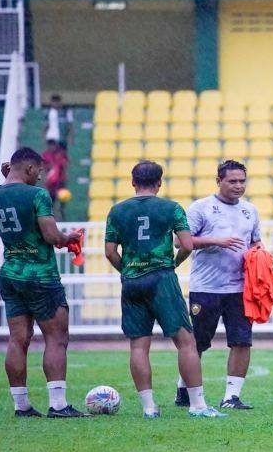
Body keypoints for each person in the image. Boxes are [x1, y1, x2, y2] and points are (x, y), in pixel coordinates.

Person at [103, 160, 224, 418]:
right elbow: (188, 245)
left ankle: (149, 408)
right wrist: (173, 263)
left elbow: (110, 252)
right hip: (162, 279)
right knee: (186, 342)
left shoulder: (117, 211)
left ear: (133, 182)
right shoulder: (171, 208)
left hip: (132, 281)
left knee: (138, 346)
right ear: (159, 182)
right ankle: (198, 405)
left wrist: (127, 270)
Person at [0, 148, 85, 418]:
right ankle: (59, 404)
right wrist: (70, 237)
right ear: (29, 169)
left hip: (10, 272)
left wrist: (10, 176)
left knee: (18, 339)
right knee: (56, 337)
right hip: (40, 274)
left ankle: (22, 405)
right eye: (38, 172)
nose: (40, 177)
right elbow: (52, 236)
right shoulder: (37, 195)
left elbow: (10, 192)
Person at [174, 160, 263, 410]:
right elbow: (180, 242)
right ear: (219, 181)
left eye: (242, 181)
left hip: (239, 289)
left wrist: (260, 255)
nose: (238, 186)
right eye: (232, 181)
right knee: (197, 343)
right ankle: (184, 387)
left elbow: (255, 242)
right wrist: (216, 241)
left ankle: (231, 397)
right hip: (206, 287)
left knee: (242, 341)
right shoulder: (201, 208)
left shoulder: (250, 210)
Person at [42, 140, 69, 219]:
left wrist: (64, 177)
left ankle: (61, 212)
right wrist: (46, 178)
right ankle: (51, 215)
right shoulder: (45, 155)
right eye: (50, 145)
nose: (52, 147)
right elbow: (44, 168)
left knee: (62, 199)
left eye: (53, 145)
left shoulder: (60, 155)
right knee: (51, 199)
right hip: (51, 182)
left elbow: (64, 166)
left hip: (60, 181)